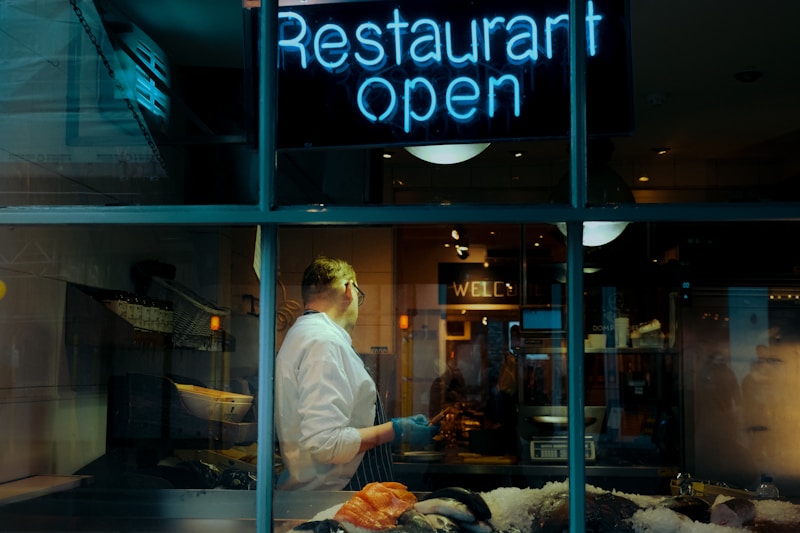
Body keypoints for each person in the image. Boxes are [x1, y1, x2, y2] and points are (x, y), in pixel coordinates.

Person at [274, 256, 438, 490]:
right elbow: (325, 443)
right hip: (336, 496)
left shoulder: (301, 336)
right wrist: (396, 430)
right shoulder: (323, 342)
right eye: (359, 296)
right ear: (349, 289)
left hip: (323, 491)